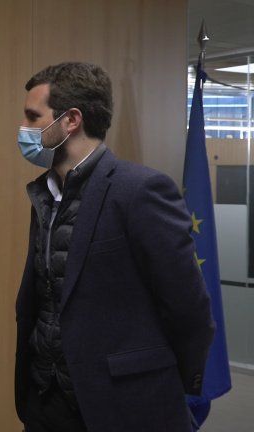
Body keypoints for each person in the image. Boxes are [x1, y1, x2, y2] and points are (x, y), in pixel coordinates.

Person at [13, 62, 216, 432]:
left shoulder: (140, 190)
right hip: (44, 401)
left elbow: (189, 309)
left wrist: (163, 381)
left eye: (33, 116)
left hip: (122, 405)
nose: (23, 127)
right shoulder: (44, 194)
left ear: (71, 120)